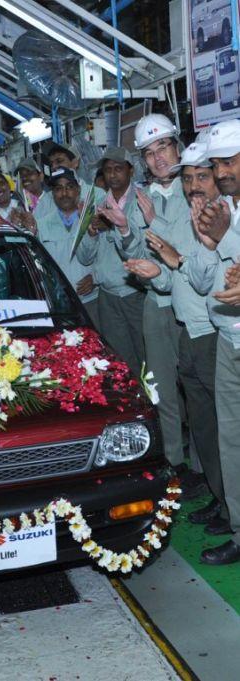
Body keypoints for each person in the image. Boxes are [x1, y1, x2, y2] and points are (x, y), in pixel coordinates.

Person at [124, 142, 227, 542]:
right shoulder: (188, 217)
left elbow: (203, 278)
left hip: (211, 333)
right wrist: (155, 272)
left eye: (202, 176)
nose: (194, 186)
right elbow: (174, 281)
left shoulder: (220, 219)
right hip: (187, 330)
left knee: (222, 429)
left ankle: (231, 507)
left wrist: (174, 262)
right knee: (204, 427)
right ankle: (221, 499)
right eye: (188, 179)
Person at [111, 114, 202, 494]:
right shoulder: (140, 197)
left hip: (192, 299)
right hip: (155, 300)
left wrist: (154, 223)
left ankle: (202, 465)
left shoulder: (195, 188)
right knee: (162, 387)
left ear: (176, 145)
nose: (158, 158)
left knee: (197, 389)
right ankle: (175, 462)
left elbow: (188, 251)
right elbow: (133, 253)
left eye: (162, 147)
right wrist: (126, 228)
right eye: (149, 153)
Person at [186, 120, 240, 565]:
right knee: (231, 442)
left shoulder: (228, 220)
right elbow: (204, 280)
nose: (222, 171)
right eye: (218, 163)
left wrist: (225, 238)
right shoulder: (219, 209)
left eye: (230, 162)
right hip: (228, 337)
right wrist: (206, 243)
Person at [76, 148, 145, 374]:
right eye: (108, 170)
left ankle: (157, 407)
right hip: (108, 296)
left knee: (148, 357)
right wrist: (92, 231)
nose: (113, 175)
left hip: (135, 293)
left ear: (131, 170)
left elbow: (140, 251)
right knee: (121, 361)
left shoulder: (143, 200)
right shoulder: (98, 205)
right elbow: (85, 257)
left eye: (118, 169)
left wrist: (114, 227)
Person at [36, 167, 99, 327]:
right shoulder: (41, 225)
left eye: (69, 187)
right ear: (52, 194)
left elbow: (107, 256)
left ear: (78, 189)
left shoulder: (94, 219)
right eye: (58, 188)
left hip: (91, 300)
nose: (64, 193)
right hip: (59, 304)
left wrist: (96, 277)